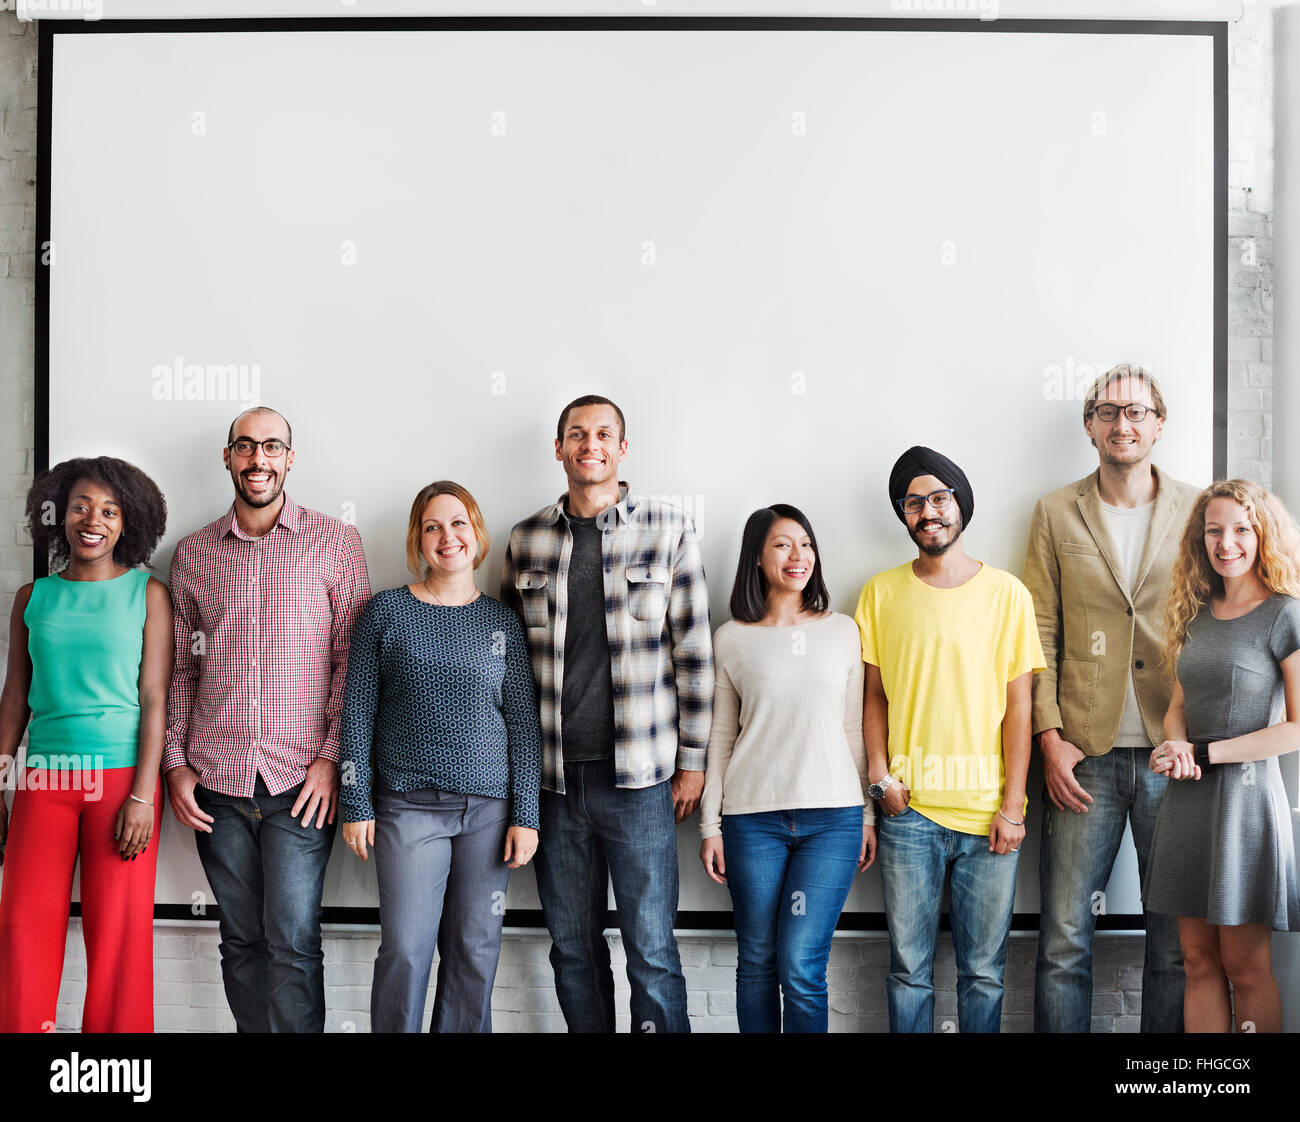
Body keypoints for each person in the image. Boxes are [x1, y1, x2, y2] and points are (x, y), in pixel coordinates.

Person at [501, 394, 713, 1033]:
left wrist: (695, 764)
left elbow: (694, 652)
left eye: (602, 434)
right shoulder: (526, 539)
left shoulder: (669, 528)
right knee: (572, 949)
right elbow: (508, 669)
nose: (588, 444)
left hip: (642, 781)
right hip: (554, 784)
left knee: (652, 953)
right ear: (559, 448)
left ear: (622, 449)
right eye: (575, 434)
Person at [163, 407, 371, 1033]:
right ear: (228, 457)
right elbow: (181, 668)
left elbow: (351, 663)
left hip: (299, 785)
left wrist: (332, 759)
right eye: (246, 447)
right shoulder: (194, 553)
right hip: (216, 783)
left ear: (290, 458)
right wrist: (175, 765)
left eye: (272, 447)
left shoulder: (335, 542)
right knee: (241, 940)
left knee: (293, 942)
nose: (259, 459)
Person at [1022, 363, 1199, 1033]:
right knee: (1065, 942)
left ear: (1158, 425)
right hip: (1083, 757)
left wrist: (1200, 734)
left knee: (1174, 945)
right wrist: (1049, 736)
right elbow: (1039, 627)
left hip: (1171, 755)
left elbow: (1212, 619)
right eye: (1108, 412)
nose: (1122, 423)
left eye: (1136, 412)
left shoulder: (1198, 508)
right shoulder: (1055, 510)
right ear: (1089, 425)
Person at [340, 481, 542, 1033]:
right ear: (417, 540)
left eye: (458, 523)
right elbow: (356, 712)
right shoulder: (385, 612)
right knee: (406, 948)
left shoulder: (502, 622)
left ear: (476, 533)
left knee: (475, 951)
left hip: (488, 810)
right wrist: (355, 801)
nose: (446, 536)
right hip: (407, 807)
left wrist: (526, 815)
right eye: (432, 526)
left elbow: (524, 725)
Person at [857, 446, 1044, 1033]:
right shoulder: (880, 593)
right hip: (908, 814)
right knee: (908, 969)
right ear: (904, 516)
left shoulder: (1007, 594)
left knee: (983, 972)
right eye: (914, 503)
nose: (927, 511)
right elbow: (873, 699)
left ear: (960, 505)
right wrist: (881, 781)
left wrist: (1013, 805)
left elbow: (1020, 708)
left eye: (939, 498)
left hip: (989, 814)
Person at [0, 457, 171, 1032]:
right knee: (24, 924)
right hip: (44, 779)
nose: (92, 520)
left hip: (123, 780)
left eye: (109, 510)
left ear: (128, 522)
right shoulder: (33, 598)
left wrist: (144, 796)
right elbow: (14, 700)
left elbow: (154, 701)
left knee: (119, 932)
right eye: (80, 506)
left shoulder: (147, 593)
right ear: (59, 515)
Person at [699, 504, 875, 1033]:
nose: (798, 556)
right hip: (752, 820)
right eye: (782, 544)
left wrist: (867, 814)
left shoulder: (843, 631)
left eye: (806, 544)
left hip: (832, 821)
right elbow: (721, 738)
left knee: (800, 964)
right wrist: (710, 826)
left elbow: (853, 730)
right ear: (757, 557)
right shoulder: (731, 638)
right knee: (757, 961)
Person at [1145, 479, 1300, 1033]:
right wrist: (1175, 744)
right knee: (1197, 962)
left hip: (1247, 807)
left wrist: (1205, 754)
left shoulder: (1285, 614)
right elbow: (1177, 705)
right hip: (1189, 801)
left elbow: (1295, 730)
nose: (1226, 542)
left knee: (1244, 966)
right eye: (1214, 530)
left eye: (1241, 529)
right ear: (1200, 538)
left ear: (1263, 535)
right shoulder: (1196, 612)